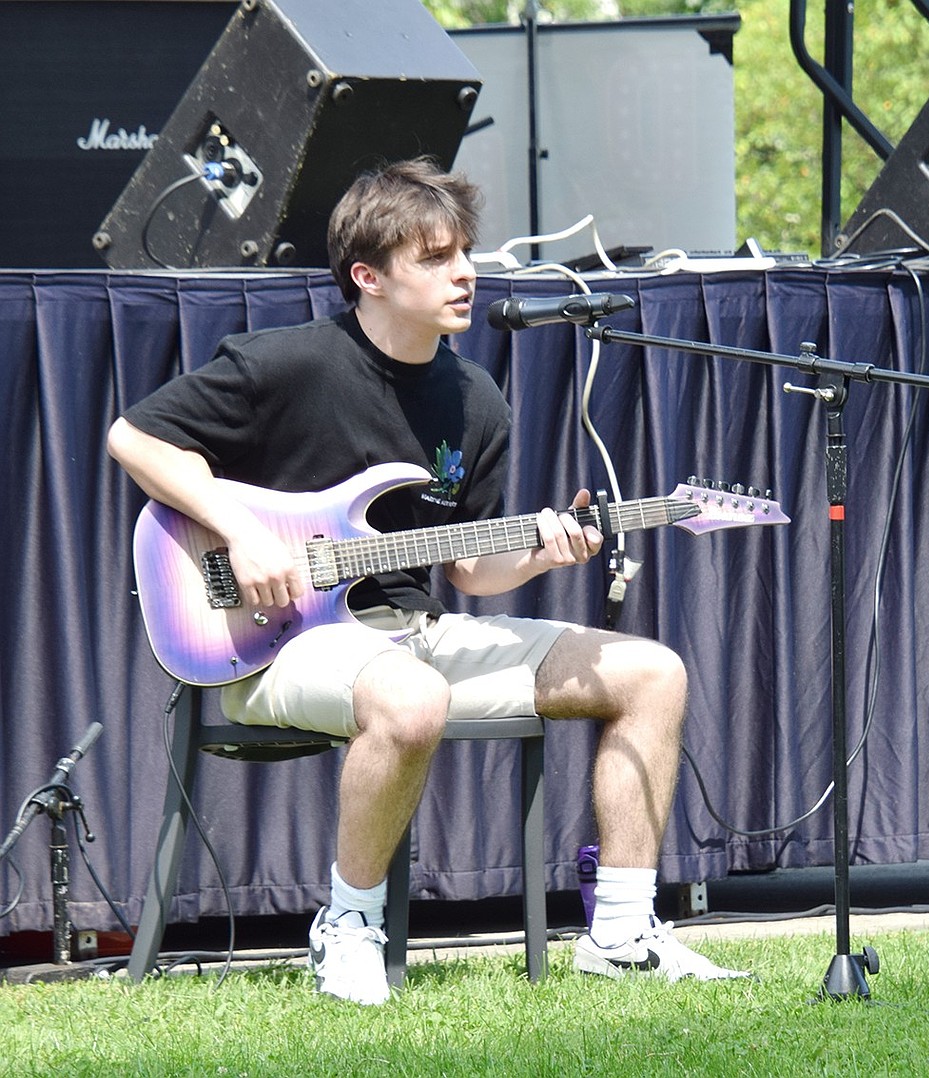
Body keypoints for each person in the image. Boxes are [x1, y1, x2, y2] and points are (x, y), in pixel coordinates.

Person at [107, 157, 751, 1005]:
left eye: (466, 253)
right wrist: (241, 536)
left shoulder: (475, 398)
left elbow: (470, 571)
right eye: (438, 258)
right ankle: (347, 924)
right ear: (368, 277)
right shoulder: (288, 364)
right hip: (281, 643)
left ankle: (623, 932)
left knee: (651, 671)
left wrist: (540, 552)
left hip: (418, 635)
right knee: (411, 699)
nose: (466, 272)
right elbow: (134, 438)